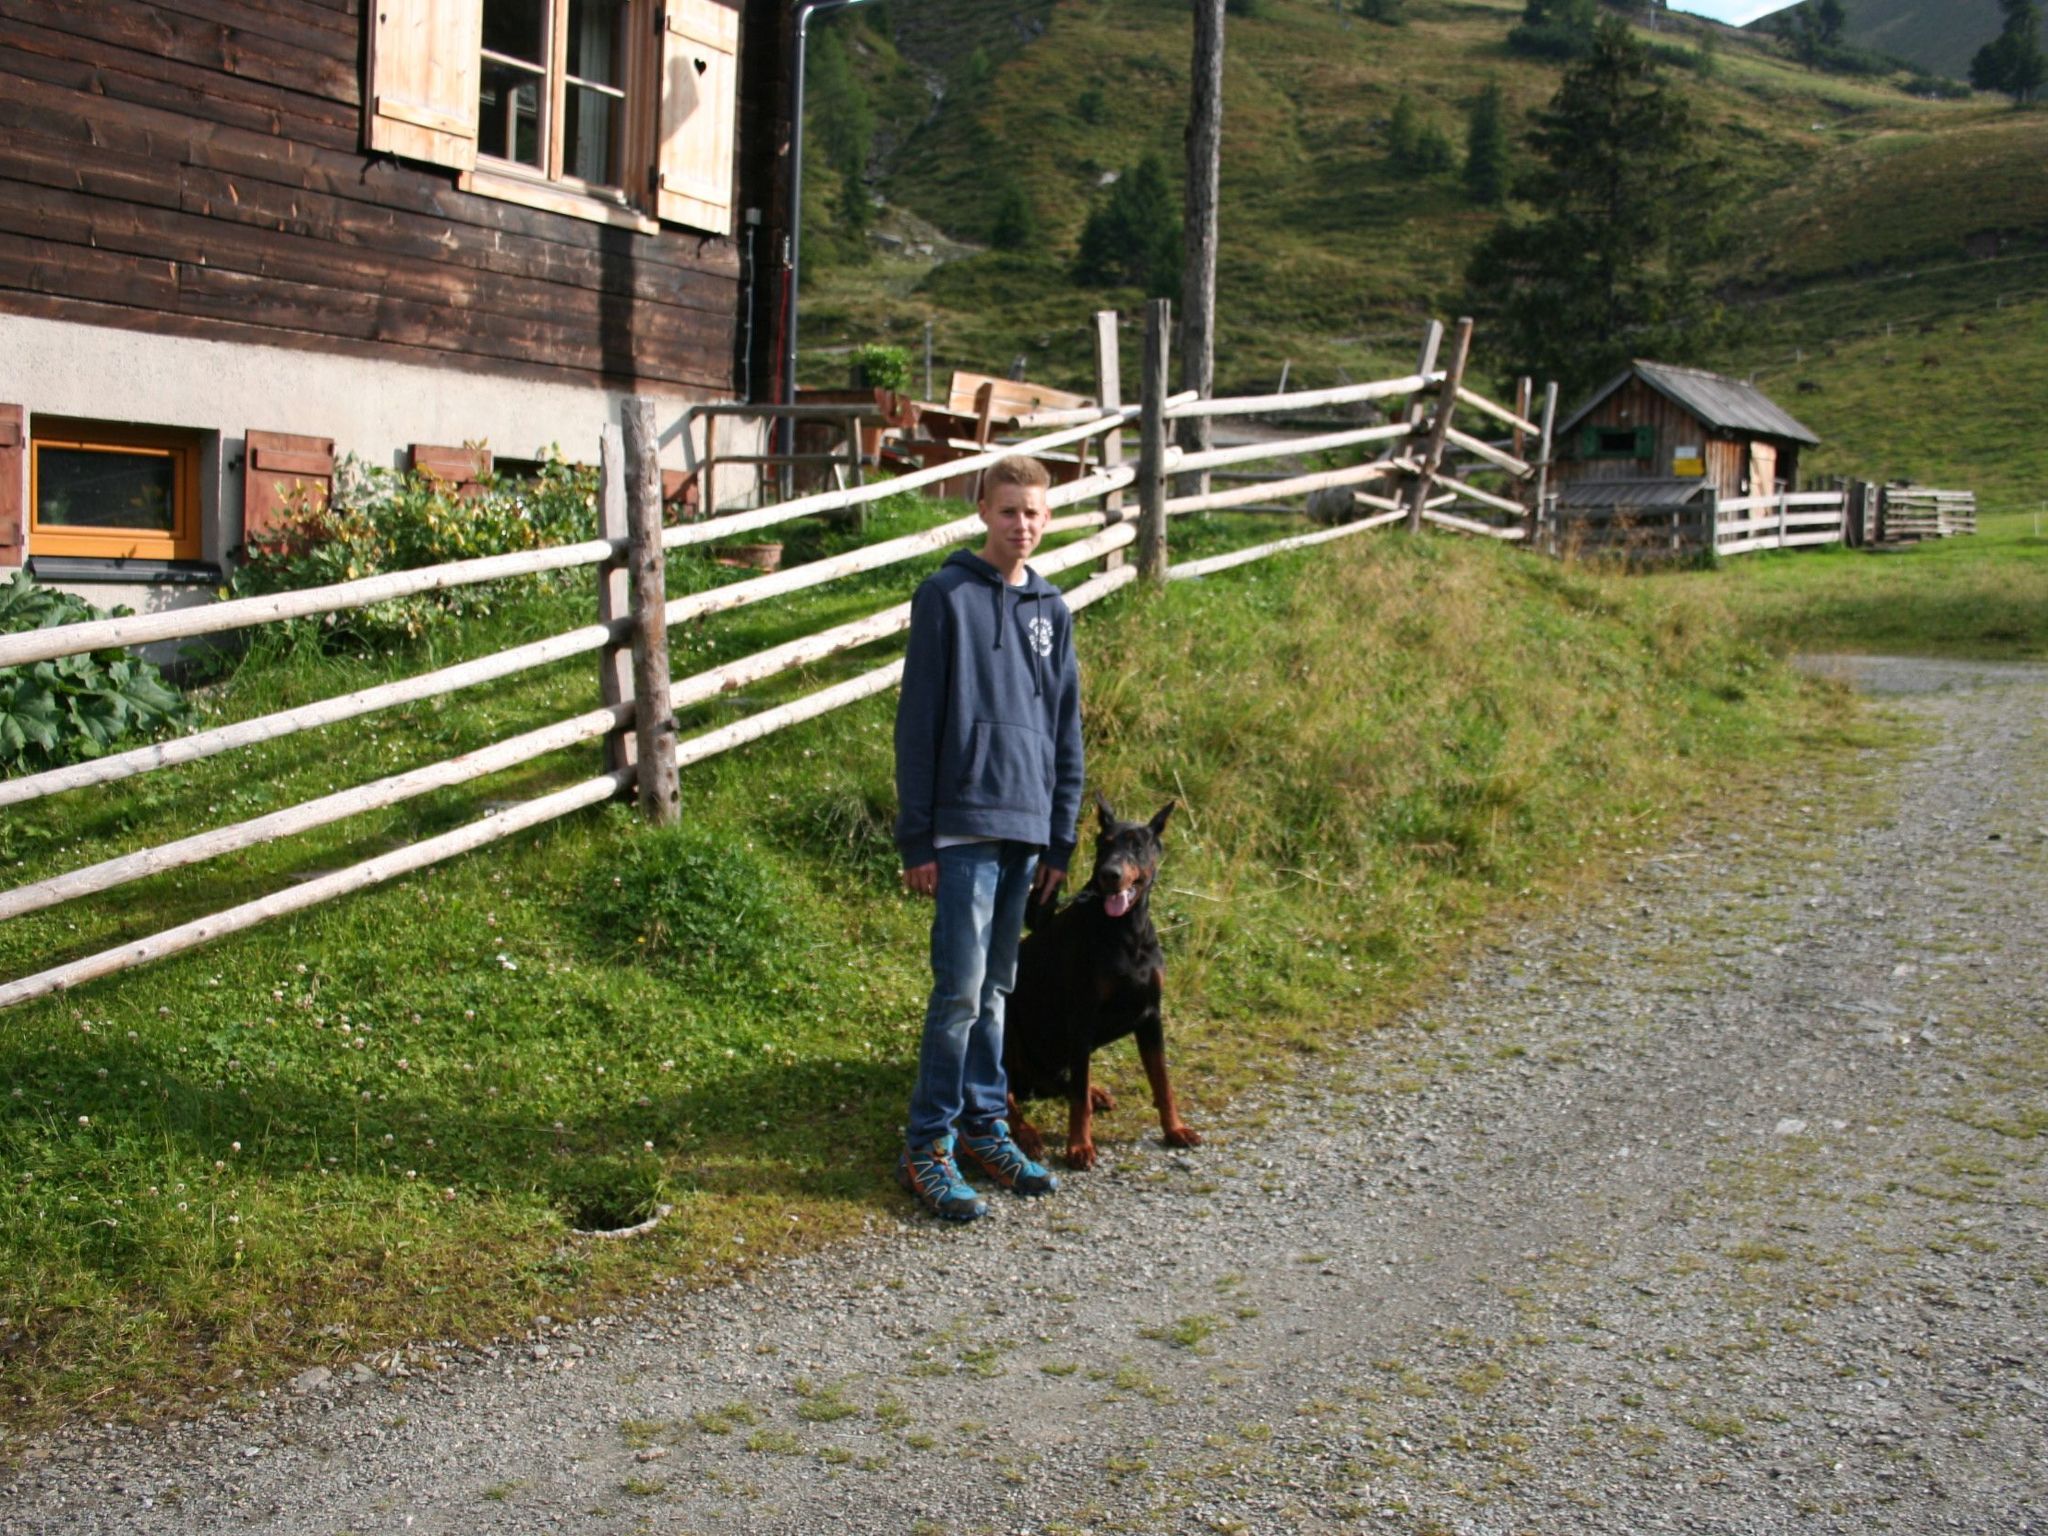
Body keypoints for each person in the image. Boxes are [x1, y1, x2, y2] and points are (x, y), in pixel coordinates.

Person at [893, 455, 1083, 1221]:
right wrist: (918, 839)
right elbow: (918, 723)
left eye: (1033, 512)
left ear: (1047, 517)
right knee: (960, 993)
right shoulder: (945, 596)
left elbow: (1065, 729)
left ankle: (984, 1126)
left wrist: (1060, 839)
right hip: (963, 824)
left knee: (998, 991)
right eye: (1008, 510)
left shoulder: (1052, 610)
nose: (1021, 524)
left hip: (1026, 828)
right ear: (982, 511)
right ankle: (927, 1147)